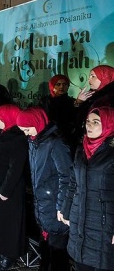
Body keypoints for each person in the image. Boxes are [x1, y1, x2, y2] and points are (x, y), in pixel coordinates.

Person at [16, 106, 72, 271]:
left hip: (56, 207)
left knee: (58, 254)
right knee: (46, 249)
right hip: (43, 206)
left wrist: (62, 207)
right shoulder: (34, 140)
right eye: (22, 130)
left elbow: (67, 177)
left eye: (27, 129)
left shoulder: (55, 143)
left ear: (37, 122)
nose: (25, 133)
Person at [61, 106, 114, 271]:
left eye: (95, 122)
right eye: (88, 122)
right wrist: (66, 209)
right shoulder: (81, 149)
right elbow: (72, 182)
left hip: (104, 223)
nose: (89, 126)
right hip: (80, 219)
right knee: (80, 263)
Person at [0, 104, 28, 270]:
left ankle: (9, 255)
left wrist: (5, 190)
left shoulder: (17, 138)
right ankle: (0, 250)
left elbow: (15, 167)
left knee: (9, 222)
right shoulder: (3, 134)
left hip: (10, 189)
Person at [38, 74, 78, 153]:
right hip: (47, 137)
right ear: (52, 86)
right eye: (58, 84)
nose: (61, 87)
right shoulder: (45, 101)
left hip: (66, 138)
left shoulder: (72, 102)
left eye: (64, 84)